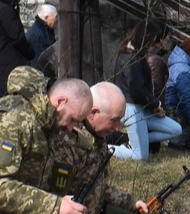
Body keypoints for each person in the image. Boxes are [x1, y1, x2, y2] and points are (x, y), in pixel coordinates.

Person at [0, 73, 98, 214]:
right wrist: (55, 206)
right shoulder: (10, 122)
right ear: (60, 101)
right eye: (72, 120)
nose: (71, 128)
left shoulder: (45, 121)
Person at [53, 83, 152, 214]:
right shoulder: (68, 143)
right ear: (93, 113)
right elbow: (55, 197)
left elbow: (99, 187)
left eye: (120, 120)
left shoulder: (98, 139)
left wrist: (131, 204)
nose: (118, 128)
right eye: (114, 120)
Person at [109, 28, 181, 160]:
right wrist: (155, 104)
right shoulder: (131, 58)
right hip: (132, 108)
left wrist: (154, 105)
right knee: (140, 156)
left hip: (141, 107)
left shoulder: (135, 55)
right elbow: (136, 90)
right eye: (151, 42)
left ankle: (137, 141)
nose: (152, 45)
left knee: (176, 129)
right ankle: (107, 149)